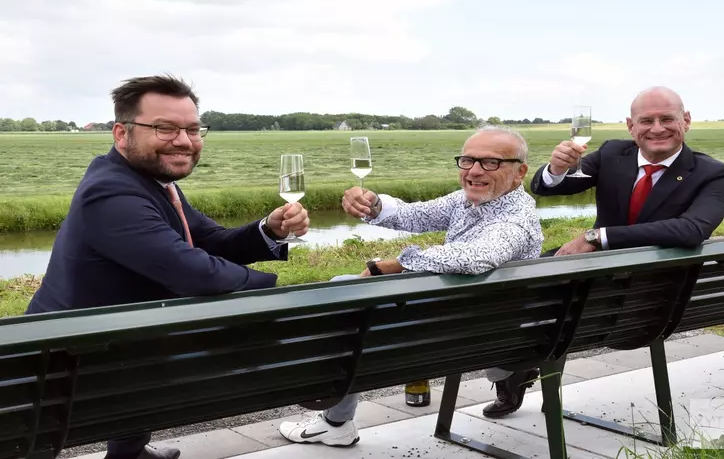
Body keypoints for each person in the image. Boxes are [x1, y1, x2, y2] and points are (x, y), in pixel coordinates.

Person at [25, 75, 310, 459]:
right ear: (121, 134)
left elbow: (207, 241)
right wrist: (270, 286)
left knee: (145, 359)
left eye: (193, 129)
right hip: (67, 359)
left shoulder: (149, 180)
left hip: (119, 349)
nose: (184, 140)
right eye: (165, 128)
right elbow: (194, 270)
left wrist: (268, 231)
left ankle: (130, 453)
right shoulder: (111, 192)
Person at [480, 86, 724, 420]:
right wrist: (557, 168)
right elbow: (545, 187)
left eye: (667, 119)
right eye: (647, 120)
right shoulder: (613, 153)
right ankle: (516, 367)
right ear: (631, 127)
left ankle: (514, 368)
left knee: (538, 303)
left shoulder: (715, 173)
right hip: (598, 282)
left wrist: (598, 237)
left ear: (686, 121)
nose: (657, 128)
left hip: (646, 297)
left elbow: (691, 230)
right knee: (510, 279)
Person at [277, 125, 543, 447]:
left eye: (490, 163)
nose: (474, 171)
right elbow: (415, 215)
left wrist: (394, 265)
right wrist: (374, 205)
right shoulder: (470, 201)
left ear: (519, 172)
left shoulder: (513, 221)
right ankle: (504, 372)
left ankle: (335, 420)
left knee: (348, 306)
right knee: (345, 291)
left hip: (467, 334)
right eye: (468, 161)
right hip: (472, 325)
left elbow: (477, 256)